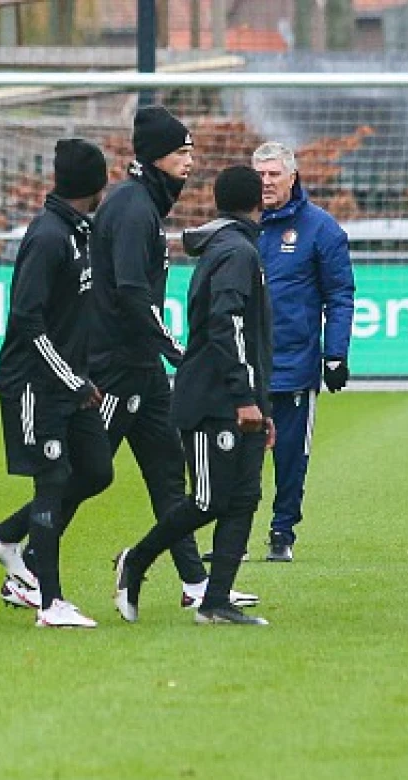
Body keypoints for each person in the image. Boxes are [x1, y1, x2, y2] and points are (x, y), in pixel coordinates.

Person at [0, 106, 255, 612]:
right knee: (81, 474)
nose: (190, 161)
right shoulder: (132, 208)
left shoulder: (146, 205)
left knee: (167, 470)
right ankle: (14, 547)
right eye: (181, 152)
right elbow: (131, 292)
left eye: (191, 151)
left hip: (141, 367)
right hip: (113, 367)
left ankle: (195, 581)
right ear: (154, 157)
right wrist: (174, 346)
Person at [114, 166, 274, 626]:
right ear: (258, 202)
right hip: (212, 402)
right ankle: (137, 561)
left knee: (244, 497)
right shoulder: (237, 252)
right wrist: (246, 397)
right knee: (208, 499)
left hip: (236, 400)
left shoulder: (235, 248)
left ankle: (216, 602)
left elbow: (245, 335)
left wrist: (259, 405)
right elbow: (227, 325)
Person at [0, 139, 113, 628]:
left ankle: (6, 536)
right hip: (36, 384)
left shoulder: (81, 232)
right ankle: (50, 603)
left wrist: (86, 374)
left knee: (97, 471)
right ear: (93, 185)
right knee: (52, 482)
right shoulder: (48, 235)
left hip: (72, 381)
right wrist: (71, 380)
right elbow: (27, 322)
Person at [251, 141, 355, 563]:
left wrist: (335, 354)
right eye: (259, 175)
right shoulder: (242, 225)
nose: (266, 182)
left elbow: (340, 295)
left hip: (295, 365)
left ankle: (282, 531)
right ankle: (233, 535)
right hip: (246, 368)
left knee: (291, 458)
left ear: (292, 177)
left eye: (274, 174)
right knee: (239, 458)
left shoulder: (321, 228)